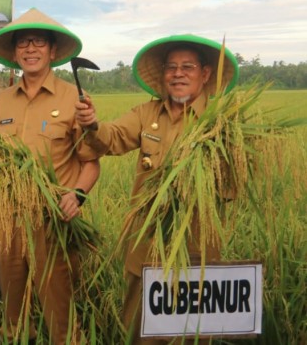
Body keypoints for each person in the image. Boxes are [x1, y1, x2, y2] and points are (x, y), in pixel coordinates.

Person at [73, 35, 239, 344]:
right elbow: (113, 136)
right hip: (146, 246)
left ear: (204, 74)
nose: (178, 73)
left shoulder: (221, 122)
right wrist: (93, 124)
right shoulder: (146, 114)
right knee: (141, 330)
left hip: (196, 249)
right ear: (163, 74)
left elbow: (232, 189)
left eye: (187, 66)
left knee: (193, 333)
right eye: (171, 67)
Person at [0, 8, 100, 344]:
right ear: (15, 52)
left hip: (53, 223)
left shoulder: (72, 99)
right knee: (12, 318)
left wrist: (76, 195)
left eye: (38, 42)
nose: (30, 48)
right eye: (23, 42)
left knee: (60, 318)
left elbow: (91, 162)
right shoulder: (3, 99)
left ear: (52, 51)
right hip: (9, 224)